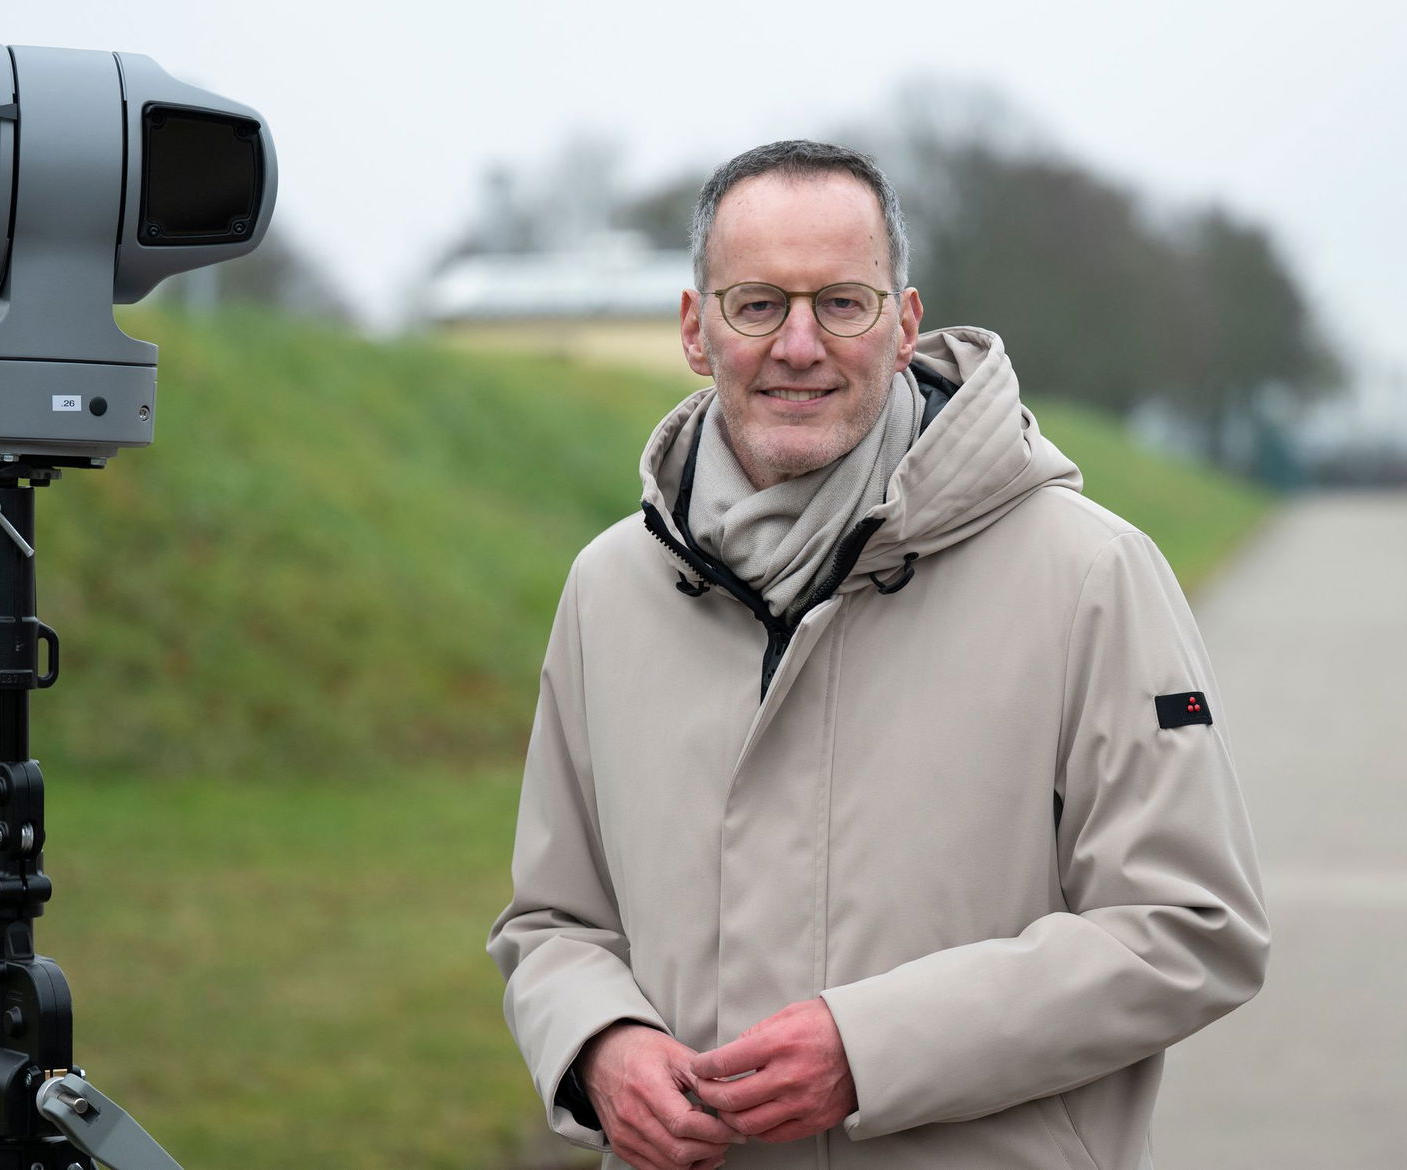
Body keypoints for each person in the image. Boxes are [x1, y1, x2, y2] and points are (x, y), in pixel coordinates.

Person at [487, 140, 1269, 1170]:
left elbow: (1189, 924)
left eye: (841, 303)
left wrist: (872, 1051)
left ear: (903, 326)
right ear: (694, 328)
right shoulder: (607, 588)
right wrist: (595, 1043)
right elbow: (553, 920)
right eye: (756, 303)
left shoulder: (1090, 572)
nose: (798, 344)